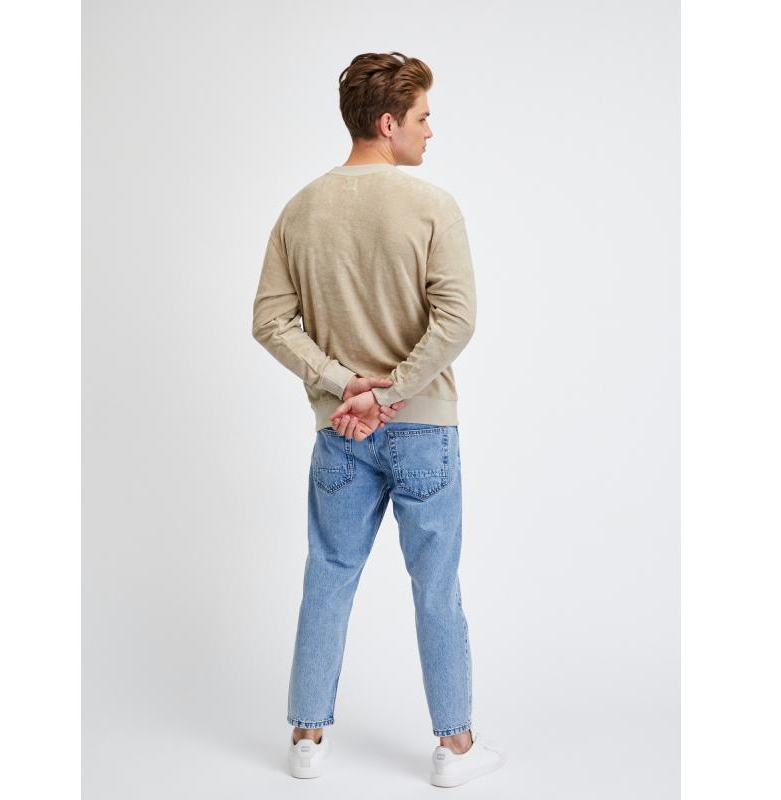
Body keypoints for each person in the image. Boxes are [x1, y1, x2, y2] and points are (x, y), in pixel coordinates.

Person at [251, 51, 505, 788]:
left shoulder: (301, 210)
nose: (431, 130)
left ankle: (306, 739)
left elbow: (270, 322)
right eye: (423, 116)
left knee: (329, 576)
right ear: (389, 123)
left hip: (340, 431)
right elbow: (457, 320)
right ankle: (456, 748)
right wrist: (393, 392)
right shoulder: (432, 206)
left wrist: (344, 386)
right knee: (436, 586)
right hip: (424, 428)